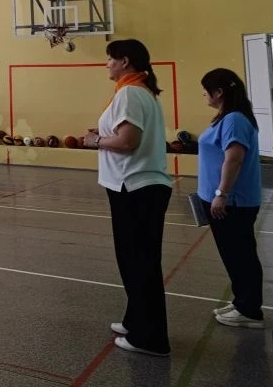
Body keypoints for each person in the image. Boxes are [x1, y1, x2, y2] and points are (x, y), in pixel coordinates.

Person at [84, 39, 172, 357]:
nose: (106, 64)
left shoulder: (130, 93)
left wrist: (96, 141)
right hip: (137, 187)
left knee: (139, 263)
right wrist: (103, 136)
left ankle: (151, 338)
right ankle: (136, 320)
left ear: (124, 61)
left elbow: (127, 142)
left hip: (135, 188)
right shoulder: (138, 92)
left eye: (110, 59)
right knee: (135, 261)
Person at [198, 68, 264, 329]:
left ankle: (250, 310)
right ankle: (241, 302)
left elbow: (234, 159)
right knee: (234, 255)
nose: (203, 94)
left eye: (206, 90)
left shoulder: (234, 119)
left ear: (219, 92)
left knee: (241, 255)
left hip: (233, 203)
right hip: (226, 201)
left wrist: (221, 194)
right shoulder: (227, 117)